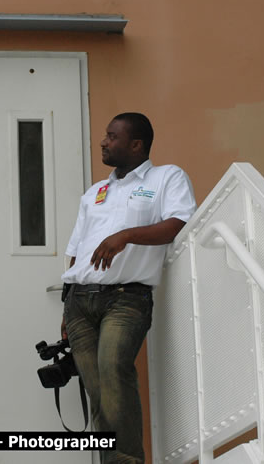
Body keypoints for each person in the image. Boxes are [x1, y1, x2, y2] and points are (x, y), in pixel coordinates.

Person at [60, 112, 196, 463]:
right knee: (97, 391)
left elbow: (177, 223)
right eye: (106, 135)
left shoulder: (166, 177)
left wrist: (126, 236)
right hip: (79, 303)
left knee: (114, 371)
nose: (103, 142)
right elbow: (75, 251)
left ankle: (129, 460)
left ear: (136, 144)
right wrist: (65, 305)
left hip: (126, 298)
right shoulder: (95, 192)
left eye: (112, 136)